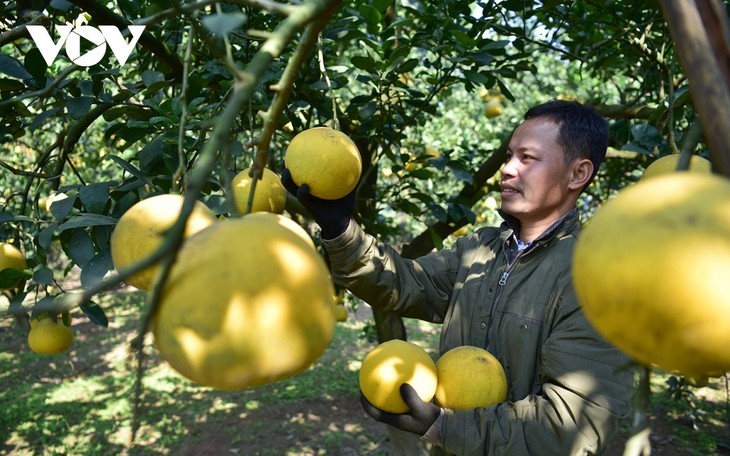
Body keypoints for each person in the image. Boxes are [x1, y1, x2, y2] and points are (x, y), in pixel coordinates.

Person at [283, 100, 635, 455]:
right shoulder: (481, 249)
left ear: (578, 174)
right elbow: (404, 283)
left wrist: (442, 426)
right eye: (509, 155)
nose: (507, 169)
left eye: (527, 158)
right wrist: (339, 227)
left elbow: (573, 427)